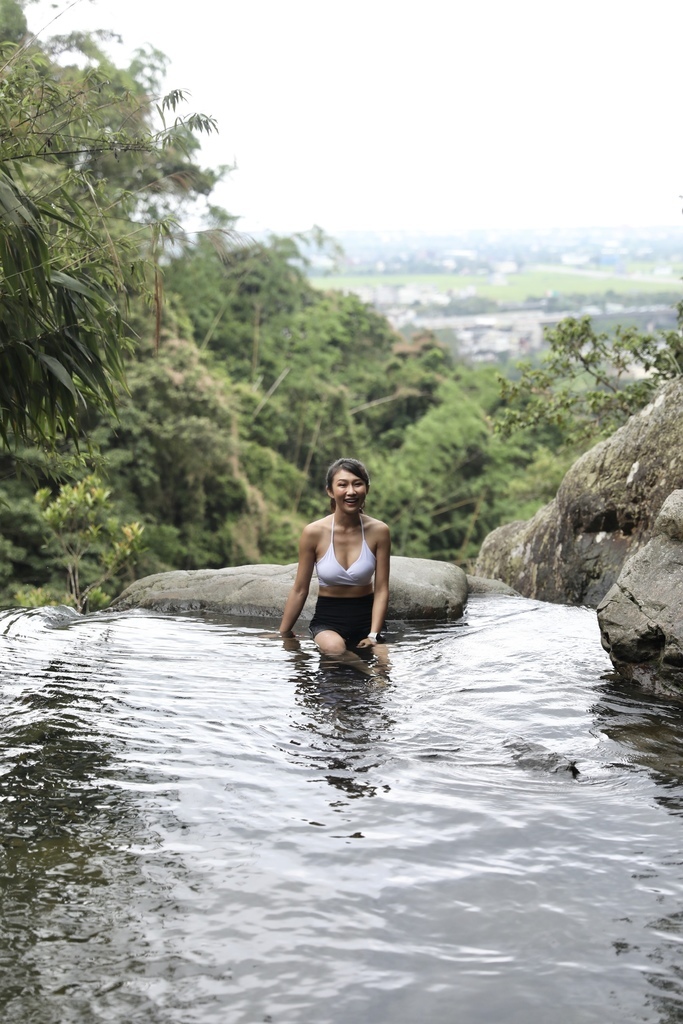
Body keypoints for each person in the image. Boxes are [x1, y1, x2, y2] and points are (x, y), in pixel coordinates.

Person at [278, 457, 391, 656]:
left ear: (367, 488)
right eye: (342, 485)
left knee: (383, 667)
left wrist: (373, 634)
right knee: (334, 649)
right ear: (330, 491)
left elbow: (381, 589)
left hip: (367, 617)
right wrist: (284, 633)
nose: (351, 491)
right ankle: (360, 671)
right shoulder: (314, 532)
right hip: (329, 618)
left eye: (358, 484)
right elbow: (300, 589)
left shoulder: (379, 531)